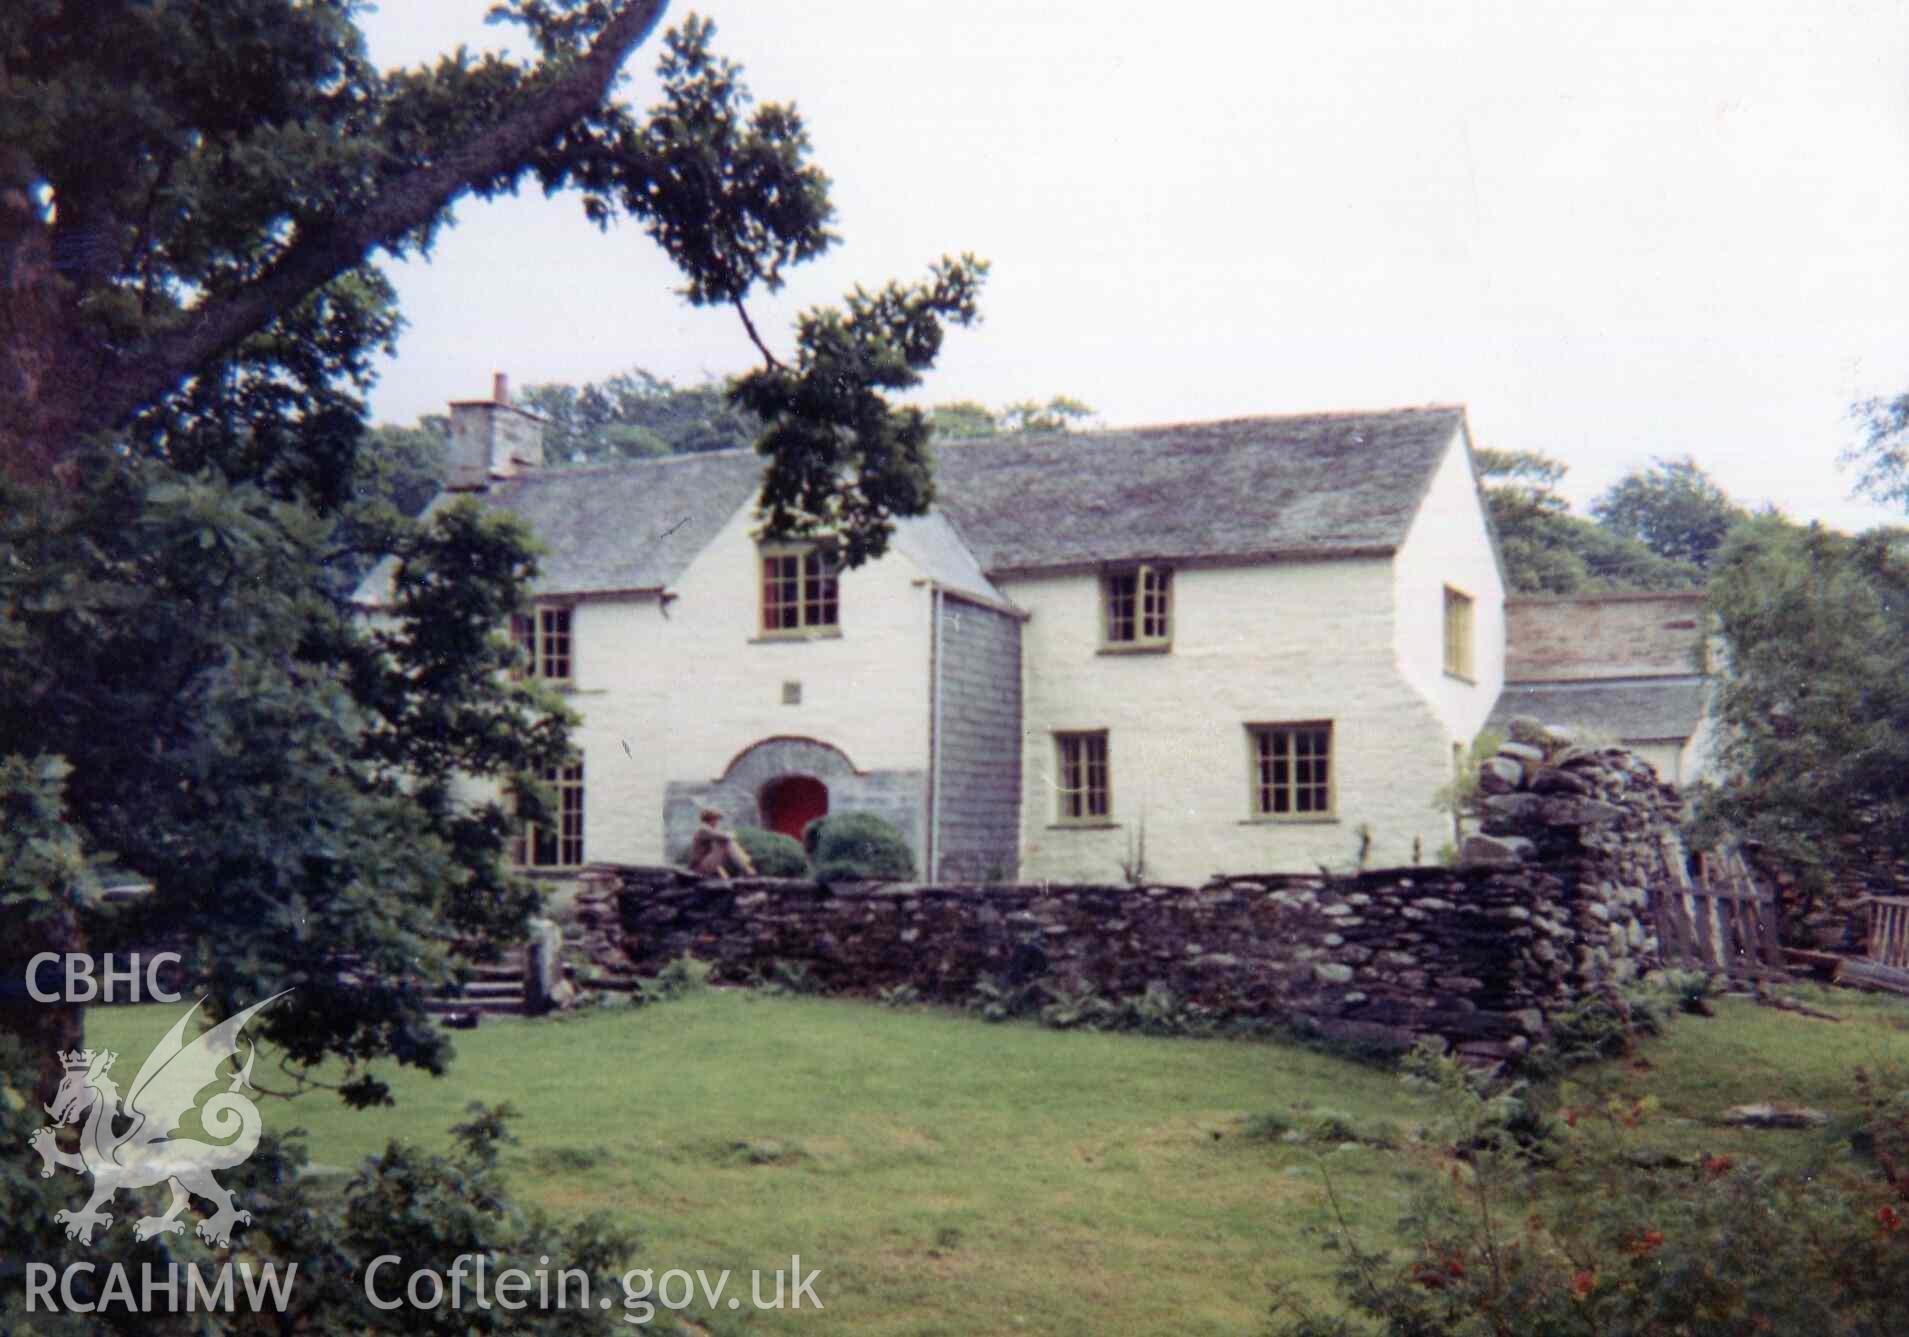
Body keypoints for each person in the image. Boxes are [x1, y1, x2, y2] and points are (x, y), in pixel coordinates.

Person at [687, 807, 756, 879]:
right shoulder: (703, 829)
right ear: (711, 819)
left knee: (723, 843)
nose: (717, 822)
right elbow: (726, 836)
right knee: (726, 843)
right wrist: (732, 834)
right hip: (699, 866)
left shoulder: (707, 829)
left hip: (706, 863)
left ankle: (744, 868)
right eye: (716, 819)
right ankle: (746, 867)